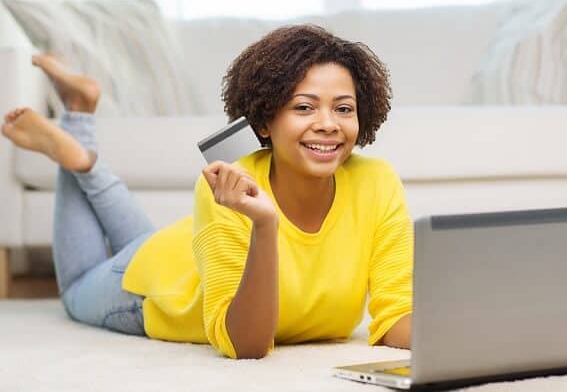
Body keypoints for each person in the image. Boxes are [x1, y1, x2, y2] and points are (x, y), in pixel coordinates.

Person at [1, 24, 413, 359]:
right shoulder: (231, 182)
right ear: (265, 121)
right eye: (304, 107)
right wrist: (265, 225)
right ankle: (79, 151)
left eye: (343, 108)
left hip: (184, 248)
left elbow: (396, 316)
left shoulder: (377, 181)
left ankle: (79, 116)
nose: (328, 123)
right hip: (155, 287)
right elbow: (245, 345)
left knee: (143, 241)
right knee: (74, 291)